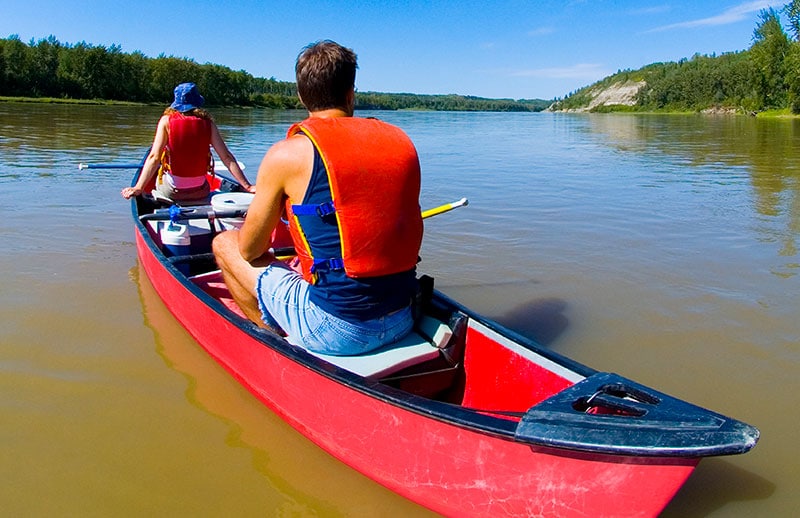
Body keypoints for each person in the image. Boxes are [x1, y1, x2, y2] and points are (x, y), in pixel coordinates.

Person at [213, 40, 423, 356]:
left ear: (301, 96)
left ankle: (270, 340)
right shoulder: (401, 142)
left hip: (336, 331)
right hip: (404, 315)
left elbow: (250, 249)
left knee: (225, 244)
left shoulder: (286, 155)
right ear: (351, 92)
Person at [121, 82, 254, 201]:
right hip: (200, 192)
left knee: (158, 174)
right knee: (203, 181)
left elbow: (154, 157)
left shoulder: (166, 121)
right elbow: (227, 157)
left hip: (172, 192)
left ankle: (153, 198)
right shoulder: (208, 124)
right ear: (197, 103)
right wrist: (247, 186)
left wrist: (138, 187)